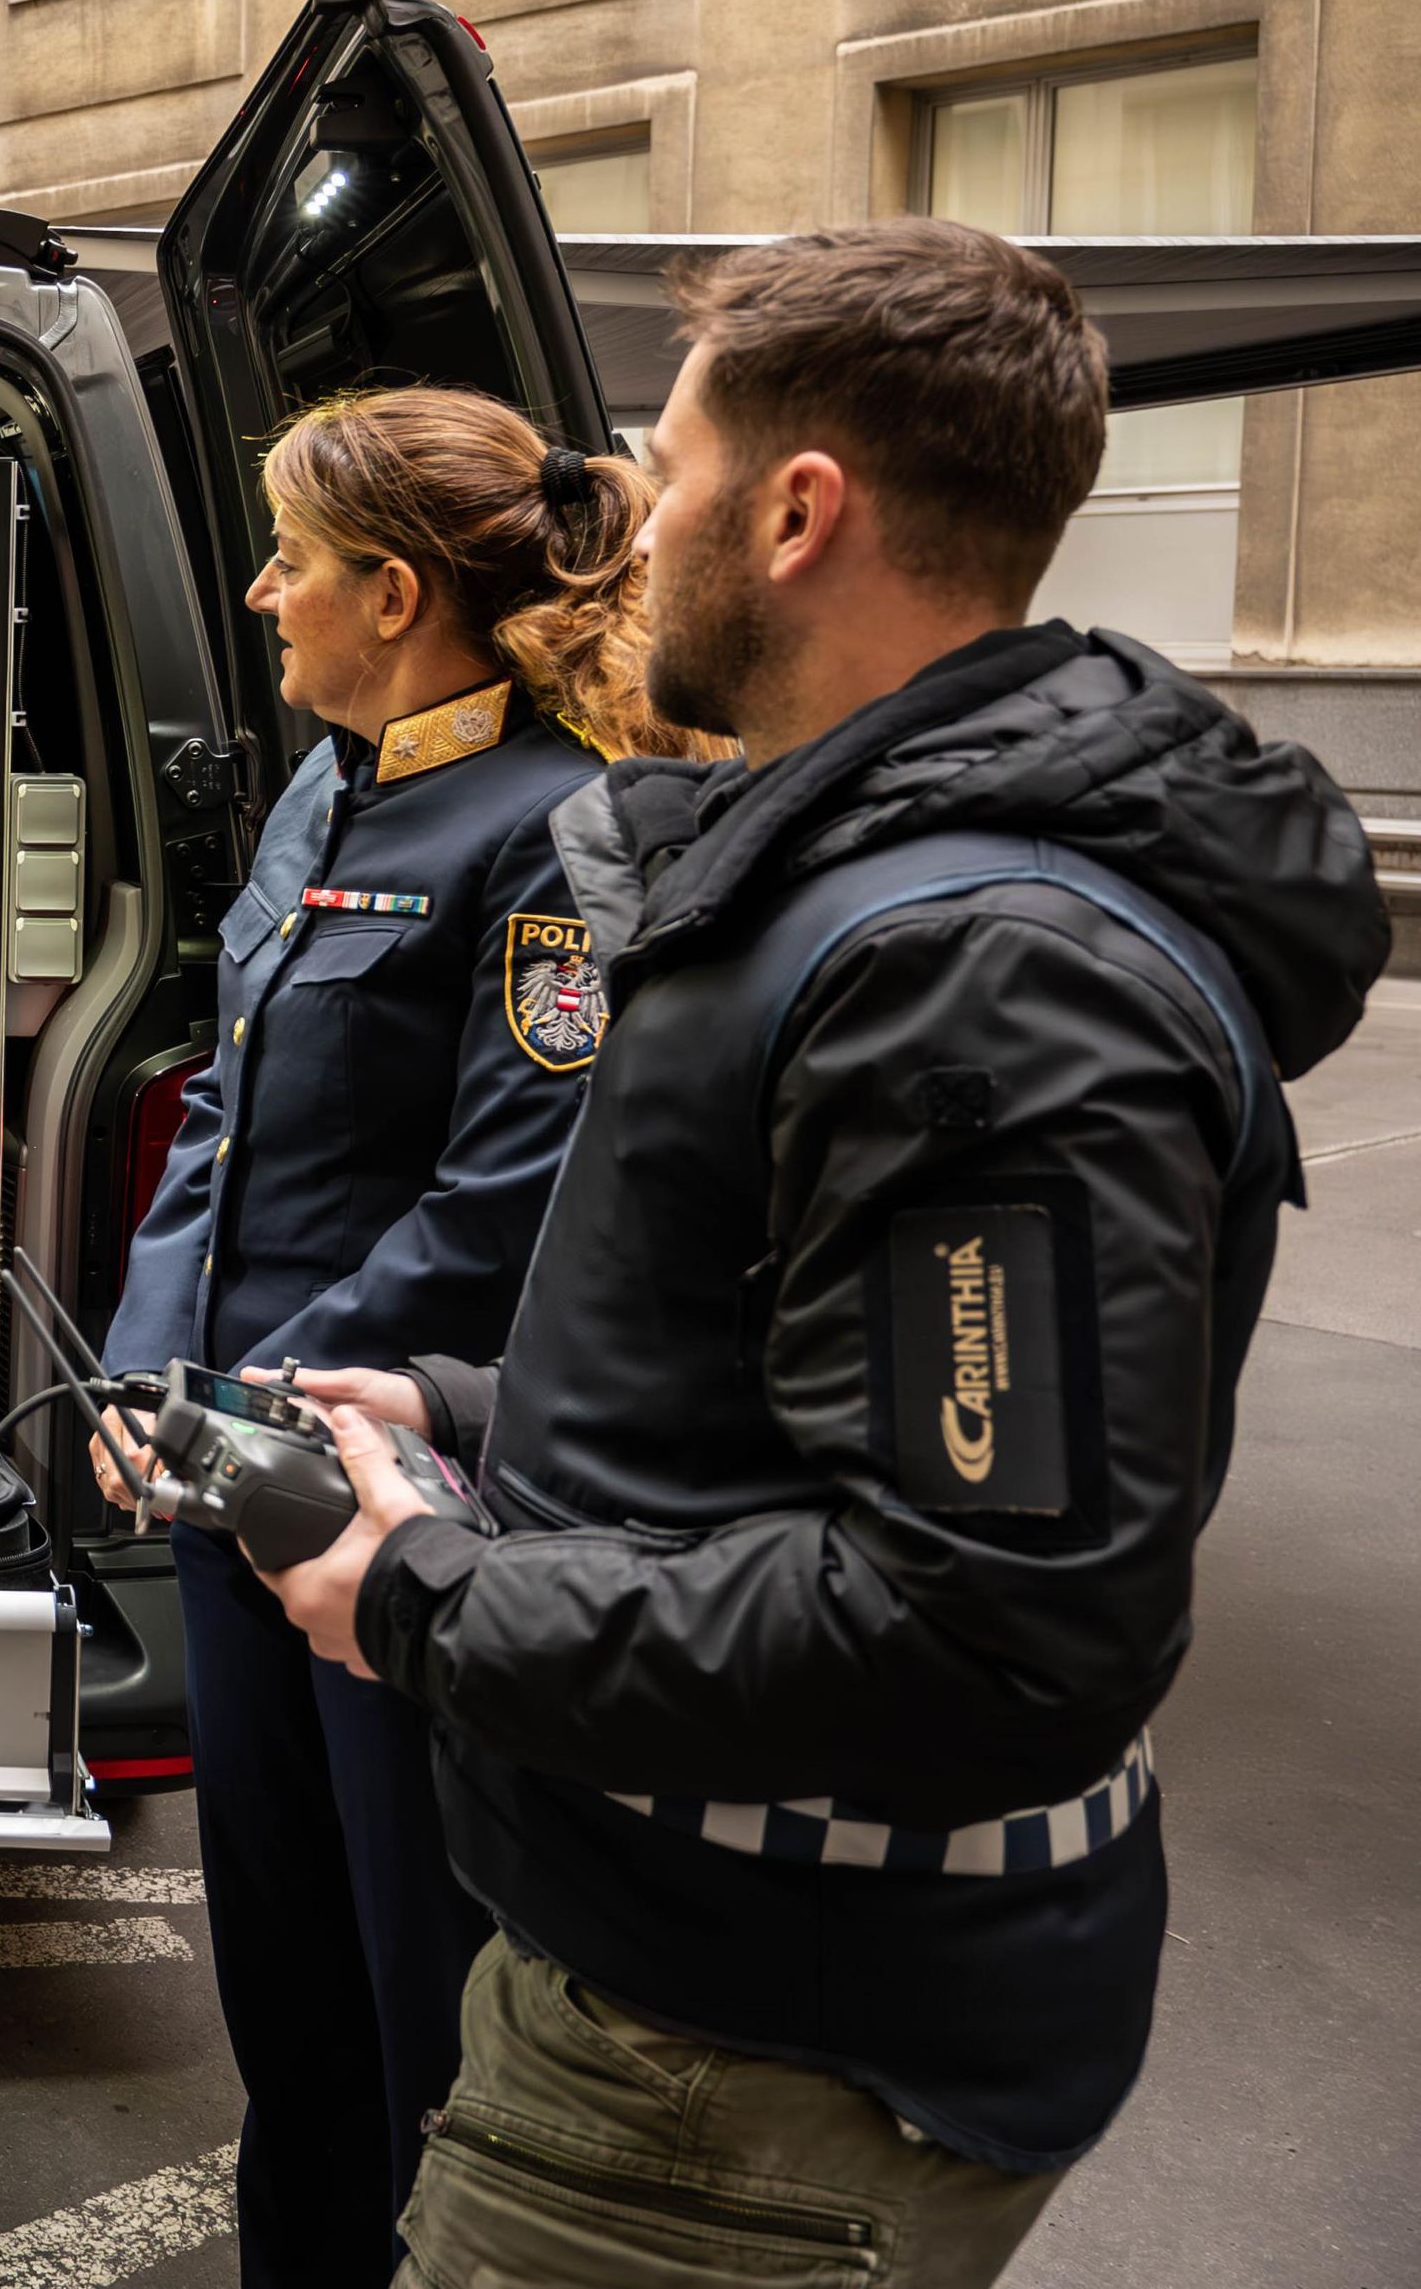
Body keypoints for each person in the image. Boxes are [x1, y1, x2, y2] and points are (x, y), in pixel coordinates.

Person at [262, 220, 1390, 2284]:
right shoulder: (857, 889)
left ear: (795, 511)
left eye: (666, 476)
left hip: (735, 2076)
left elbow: (981, 1628)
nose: (619, 535)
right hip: (688, 2004)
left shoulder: (971, 979)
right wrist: (465, 1409)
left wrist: (421, 1591)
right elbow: (804, 1394)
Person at [95, 384, 685, 2285]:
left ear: (396, 590)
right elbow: (219, 1111)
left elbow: (497, 1210)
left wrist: (252, 1404)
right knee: (274, 1972)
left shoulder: (554, 834)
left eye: (290, 558)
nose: (263, 593)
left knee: (412, 1982)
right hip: (239, 1471)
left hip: (388, 1483)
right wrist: (153, 1375)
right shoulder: (321, 784)